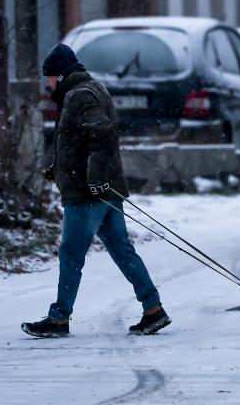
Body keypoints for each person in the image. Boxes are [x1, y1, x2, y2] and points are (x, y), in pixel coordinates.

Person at [21, 44, 170, 338]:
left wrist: (95, 179)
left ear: (61, 76)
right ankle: (154, 309)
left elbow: (101, 135)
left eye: (49, 77)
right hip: (103, 189)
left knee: (71, 254)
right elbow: (83, 142)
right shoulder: (91, 89)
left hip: (88, 194)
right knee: (122, 251)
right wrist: (60, 167)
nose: (47, 84)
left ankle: (59, 319)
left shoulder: (78, 96)